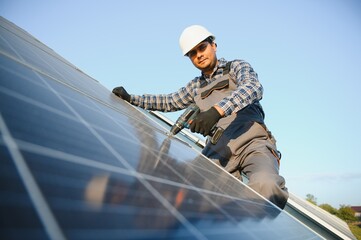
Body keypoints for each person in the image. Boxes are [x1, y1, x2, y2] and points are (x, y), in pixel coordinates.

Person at [112, 25, 289, 209]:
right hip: (217, 152)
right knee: (179, 192)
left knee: (267, 187)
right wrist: (132, 98)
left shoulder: (236, 67)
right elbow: (168, 101)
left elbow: (253, 87)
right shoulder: (195, 86)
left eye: (202, 47)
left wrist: (216, 111)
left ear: (214, 45)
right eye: (192, 53)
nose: (199, 55)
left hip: (252, 144)